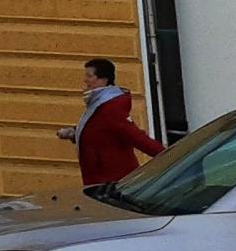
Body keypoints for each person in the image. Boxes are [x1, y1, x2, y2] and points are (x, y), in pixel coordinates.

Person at [55, 57, 163, 185]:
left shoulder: (110, 107)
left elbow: (136, 137)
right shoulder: (100, 103)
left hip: (111, 182)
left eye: (90, 76)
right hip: (100, 179)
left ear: (103, 80)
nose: (85, 80)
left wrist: (168, 156)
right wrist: (74, 132)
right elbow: (99, 131)